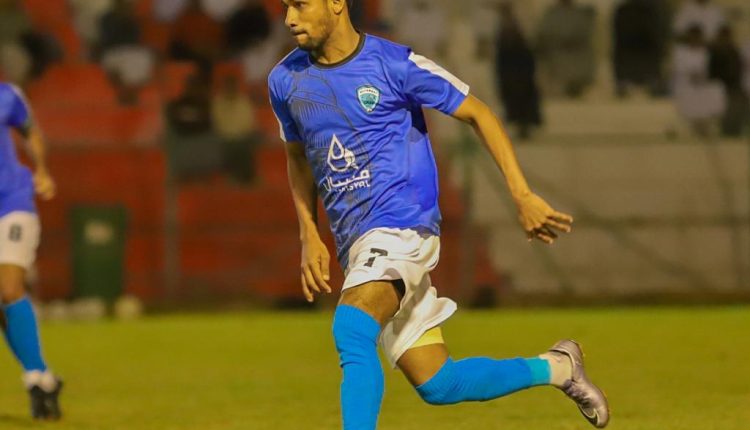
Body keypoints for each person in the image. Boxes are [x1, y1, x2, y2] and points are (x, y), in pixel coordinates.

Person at [268, 1, 610, 429]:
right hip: (356, 243)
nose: (289, 18)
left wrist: (521, 194)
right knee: (439, 382)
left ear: (336, 2)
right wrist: (309, 233)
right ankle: (558, 367)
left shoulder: (395, 64)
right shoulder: (285, 80)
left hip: (403, 225)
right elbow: (298, 156)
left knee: (352, 329)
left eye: (300, 4)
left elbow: (479, 113)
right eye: (286, 6)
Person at [0, 81, 63, 420]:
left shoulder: (6, 95)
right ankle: (43, 378)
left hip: (12, 202)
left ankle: (35, 380)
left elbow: (31, 132)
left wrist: (41, 169)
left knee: (9, 288)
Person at [495, 3, 541, 139]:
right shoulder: (503, 33)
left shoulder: (517, 29)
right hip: (511, 75)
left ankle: (524, 126)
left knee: (522, 101)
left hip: (521, 74)